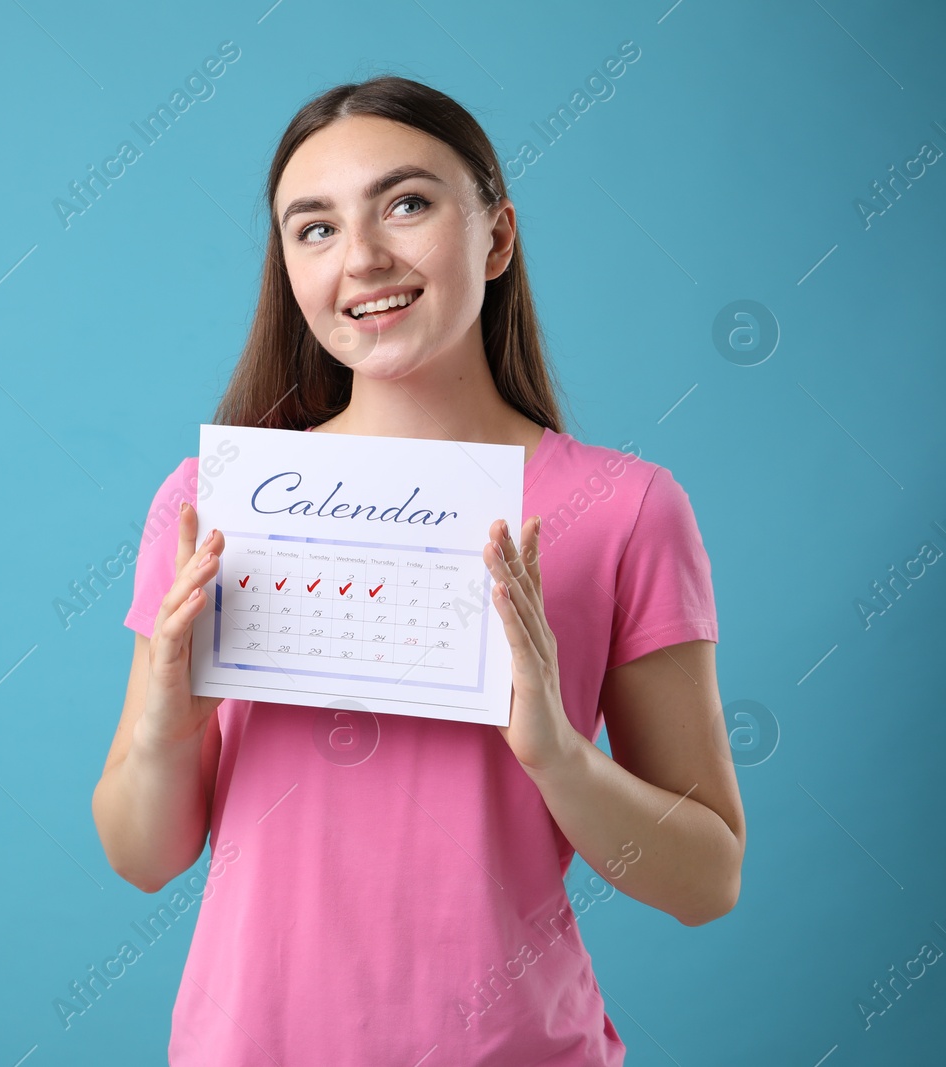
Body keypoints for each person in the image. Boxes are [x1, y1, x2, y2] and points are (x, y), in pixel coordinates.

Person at [90, 75, 746, 1065]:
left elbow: (705, 881)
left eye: (406, 203)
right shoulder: (210, 503)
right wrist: (167, 722)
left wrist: (556, 756)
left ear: (496, 234)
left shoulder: (625, 509)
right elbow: (143, 858)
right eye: (313, 228)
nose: (361, 257)